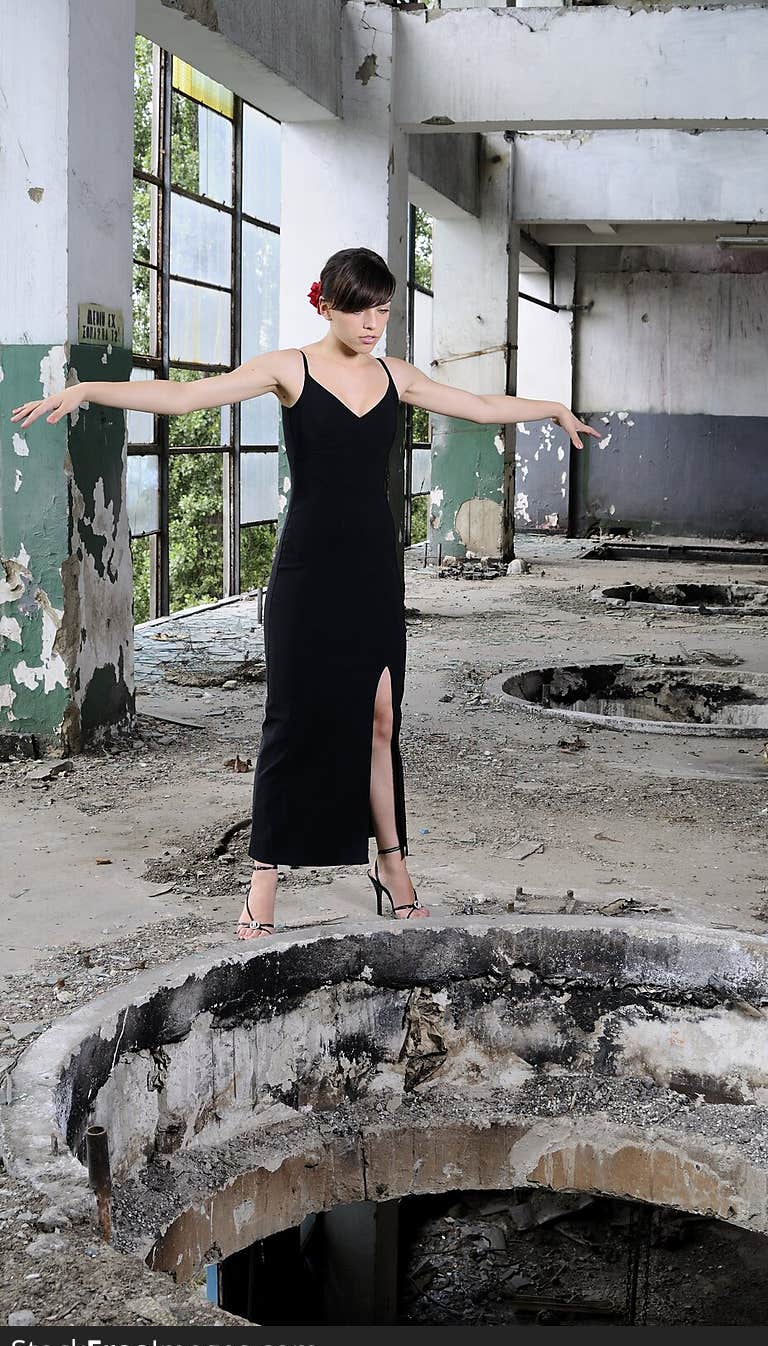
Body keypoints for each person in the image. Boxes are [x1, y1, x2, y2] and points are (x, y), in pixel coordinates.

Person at [11, 246, 599, 938]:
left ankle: (393, 866)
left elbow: (477, 404)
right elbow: (186, 397)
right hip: (306, 574)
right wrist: (89, 390)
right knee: (292, 720)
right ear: (327, 304)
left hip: (374, 573)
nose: (374, 321)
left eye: (383, 308)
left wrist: (552, 407)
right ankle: (264, 877)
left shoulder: (395, 376)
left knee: (381, 720)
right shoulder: (289, 368)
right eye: (361, 308)